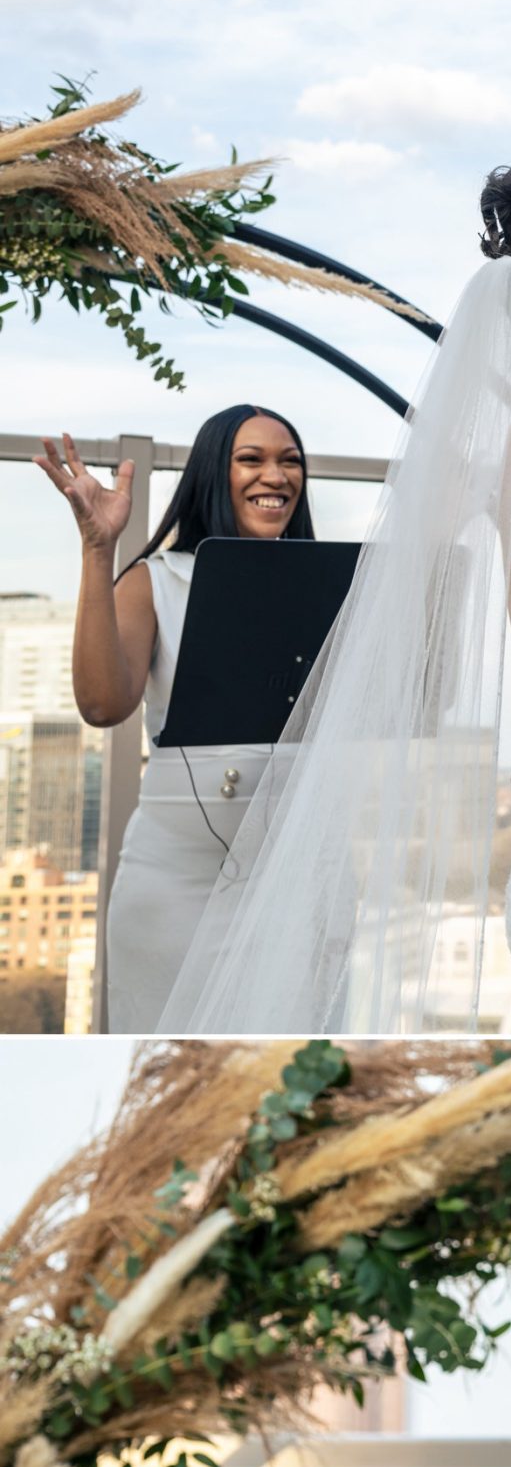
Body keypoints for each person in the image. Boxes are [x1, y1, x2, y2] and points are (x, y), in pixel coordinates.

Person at [33, 410, 316, 1032]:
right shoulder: (157, 581)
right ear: (215, 472)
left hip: (304, 876)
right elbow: (104, 705)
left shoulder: (333, 587)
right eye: (251, 458)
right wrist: (98, 549)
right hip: (175, 881)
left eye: (289, 459)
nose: (275, 475)